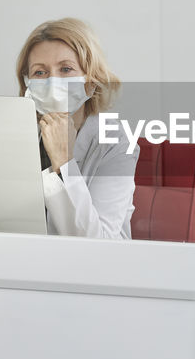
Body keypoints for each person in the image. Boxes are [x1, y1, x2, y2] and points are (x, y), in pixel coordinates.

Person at [14, 18, 136, 239]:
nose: (52, 82)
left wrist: (64, 161)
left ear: (90, 81)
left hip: (96, 270)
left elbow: (98, 242)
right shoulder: (18, 138)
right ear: (27, 83)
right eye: (40, 73)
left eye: (66, 69)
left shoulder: (116, 142)